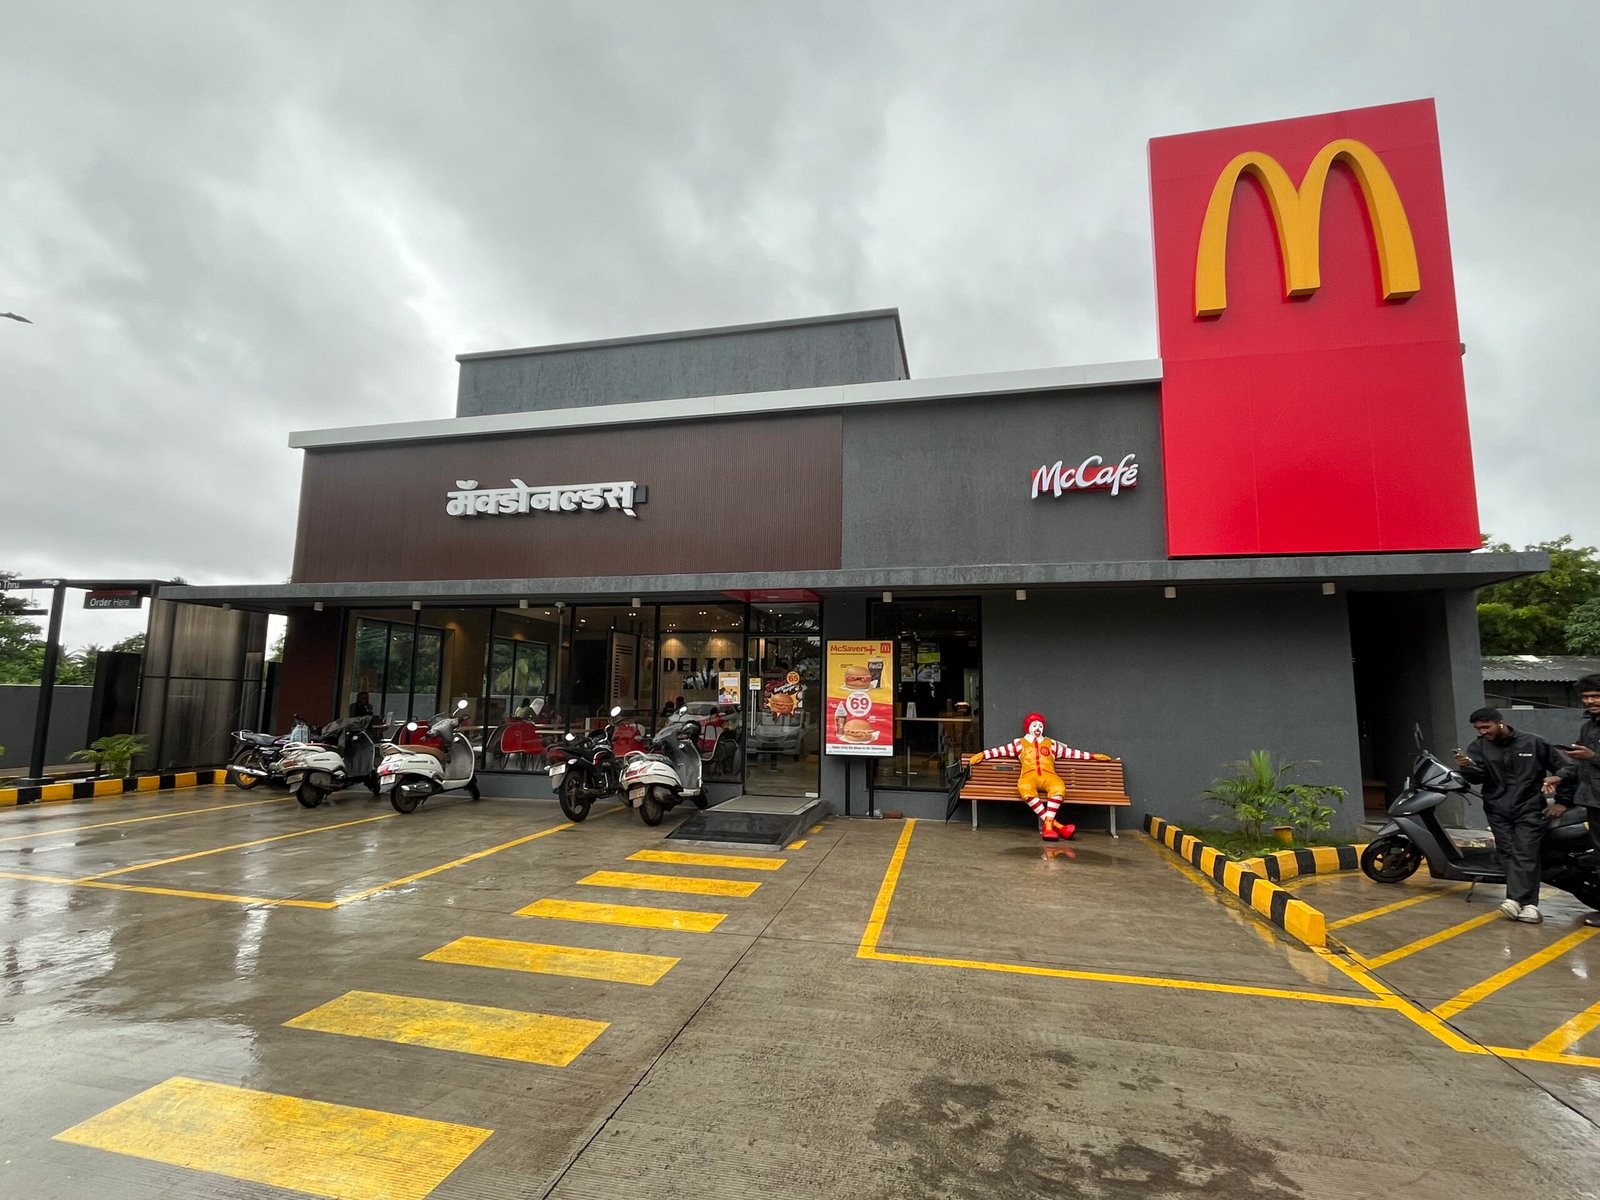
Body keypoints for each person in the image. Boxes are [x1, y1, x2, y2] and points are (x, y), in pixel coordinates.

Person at [1453, 707, 1572, 924]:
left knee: (1525, 852)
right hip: (1497, 808)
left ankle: (1521, 901)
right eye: (1478, 729)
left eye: (1486, 727)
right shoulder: (1478, 747)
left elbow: (1566, 769)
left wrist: (1563, 801)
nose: (1482, 732)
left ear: (1499, 722)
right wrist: (1468, 767)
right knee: (1507, 853)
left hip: (1530, 807)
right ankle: (1523, 905)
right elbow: (1478, 779)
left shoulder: (1534, 743)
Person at [968, 711, 1116, 841]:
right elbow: (1000, 751)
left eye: (1040, 725)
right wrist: (983, 754)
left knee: (1059, 786)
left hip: (1049, 775)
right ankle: (1054, 825)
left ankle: (1049, 825)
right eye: (1034, 725)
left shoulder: (1051, 744)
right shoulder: (1019, 743)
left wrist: (1092, 756)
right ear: (1028, 727)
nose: (1037, 728)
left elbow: (1072, 753)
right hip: (1029, 775)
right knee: (1024, 787)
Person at [1555, 674, 1600, 928]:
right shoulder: (1589, 726)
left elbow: (1590, 757)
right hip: (1593, 800)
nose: (1590, 701)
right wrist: (1559, 777)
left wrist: (1593, 756)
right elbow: (1578, 760)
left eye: (1595, 696)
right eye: (1586, 697)